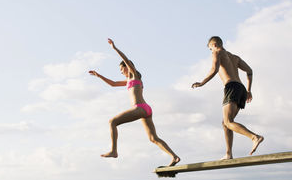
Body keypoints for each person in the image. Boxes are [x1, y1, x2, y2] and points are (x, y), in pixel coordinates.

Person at [89, 38, 180, 166]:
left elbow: (126, 60)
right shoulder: (129, 81)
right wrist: (99, 76)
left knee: (112, 122)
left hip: (140, 108)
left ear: (127, 68)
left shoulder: (134, 75)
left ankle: (114, 151)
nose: (121, 72)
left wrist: (114, 48)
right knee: (153, 138)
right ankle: (174, 157)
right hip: (145, 110)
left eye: (122, 70)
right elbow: (113, 84)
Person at [192, 36, 264, 159]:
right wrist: (248, 90)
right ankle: (228, 153)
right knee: (225, 123)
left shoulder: (217, 52)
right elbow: (249, 71)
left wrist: (202, 83)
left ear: (214, 45)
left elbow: (214, 69)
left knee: (228, 122)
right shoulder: (235, 57)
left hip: (231, 87)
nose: (211, 51)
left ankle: (254, 137)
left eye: (210, 49)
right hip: (241, 88)